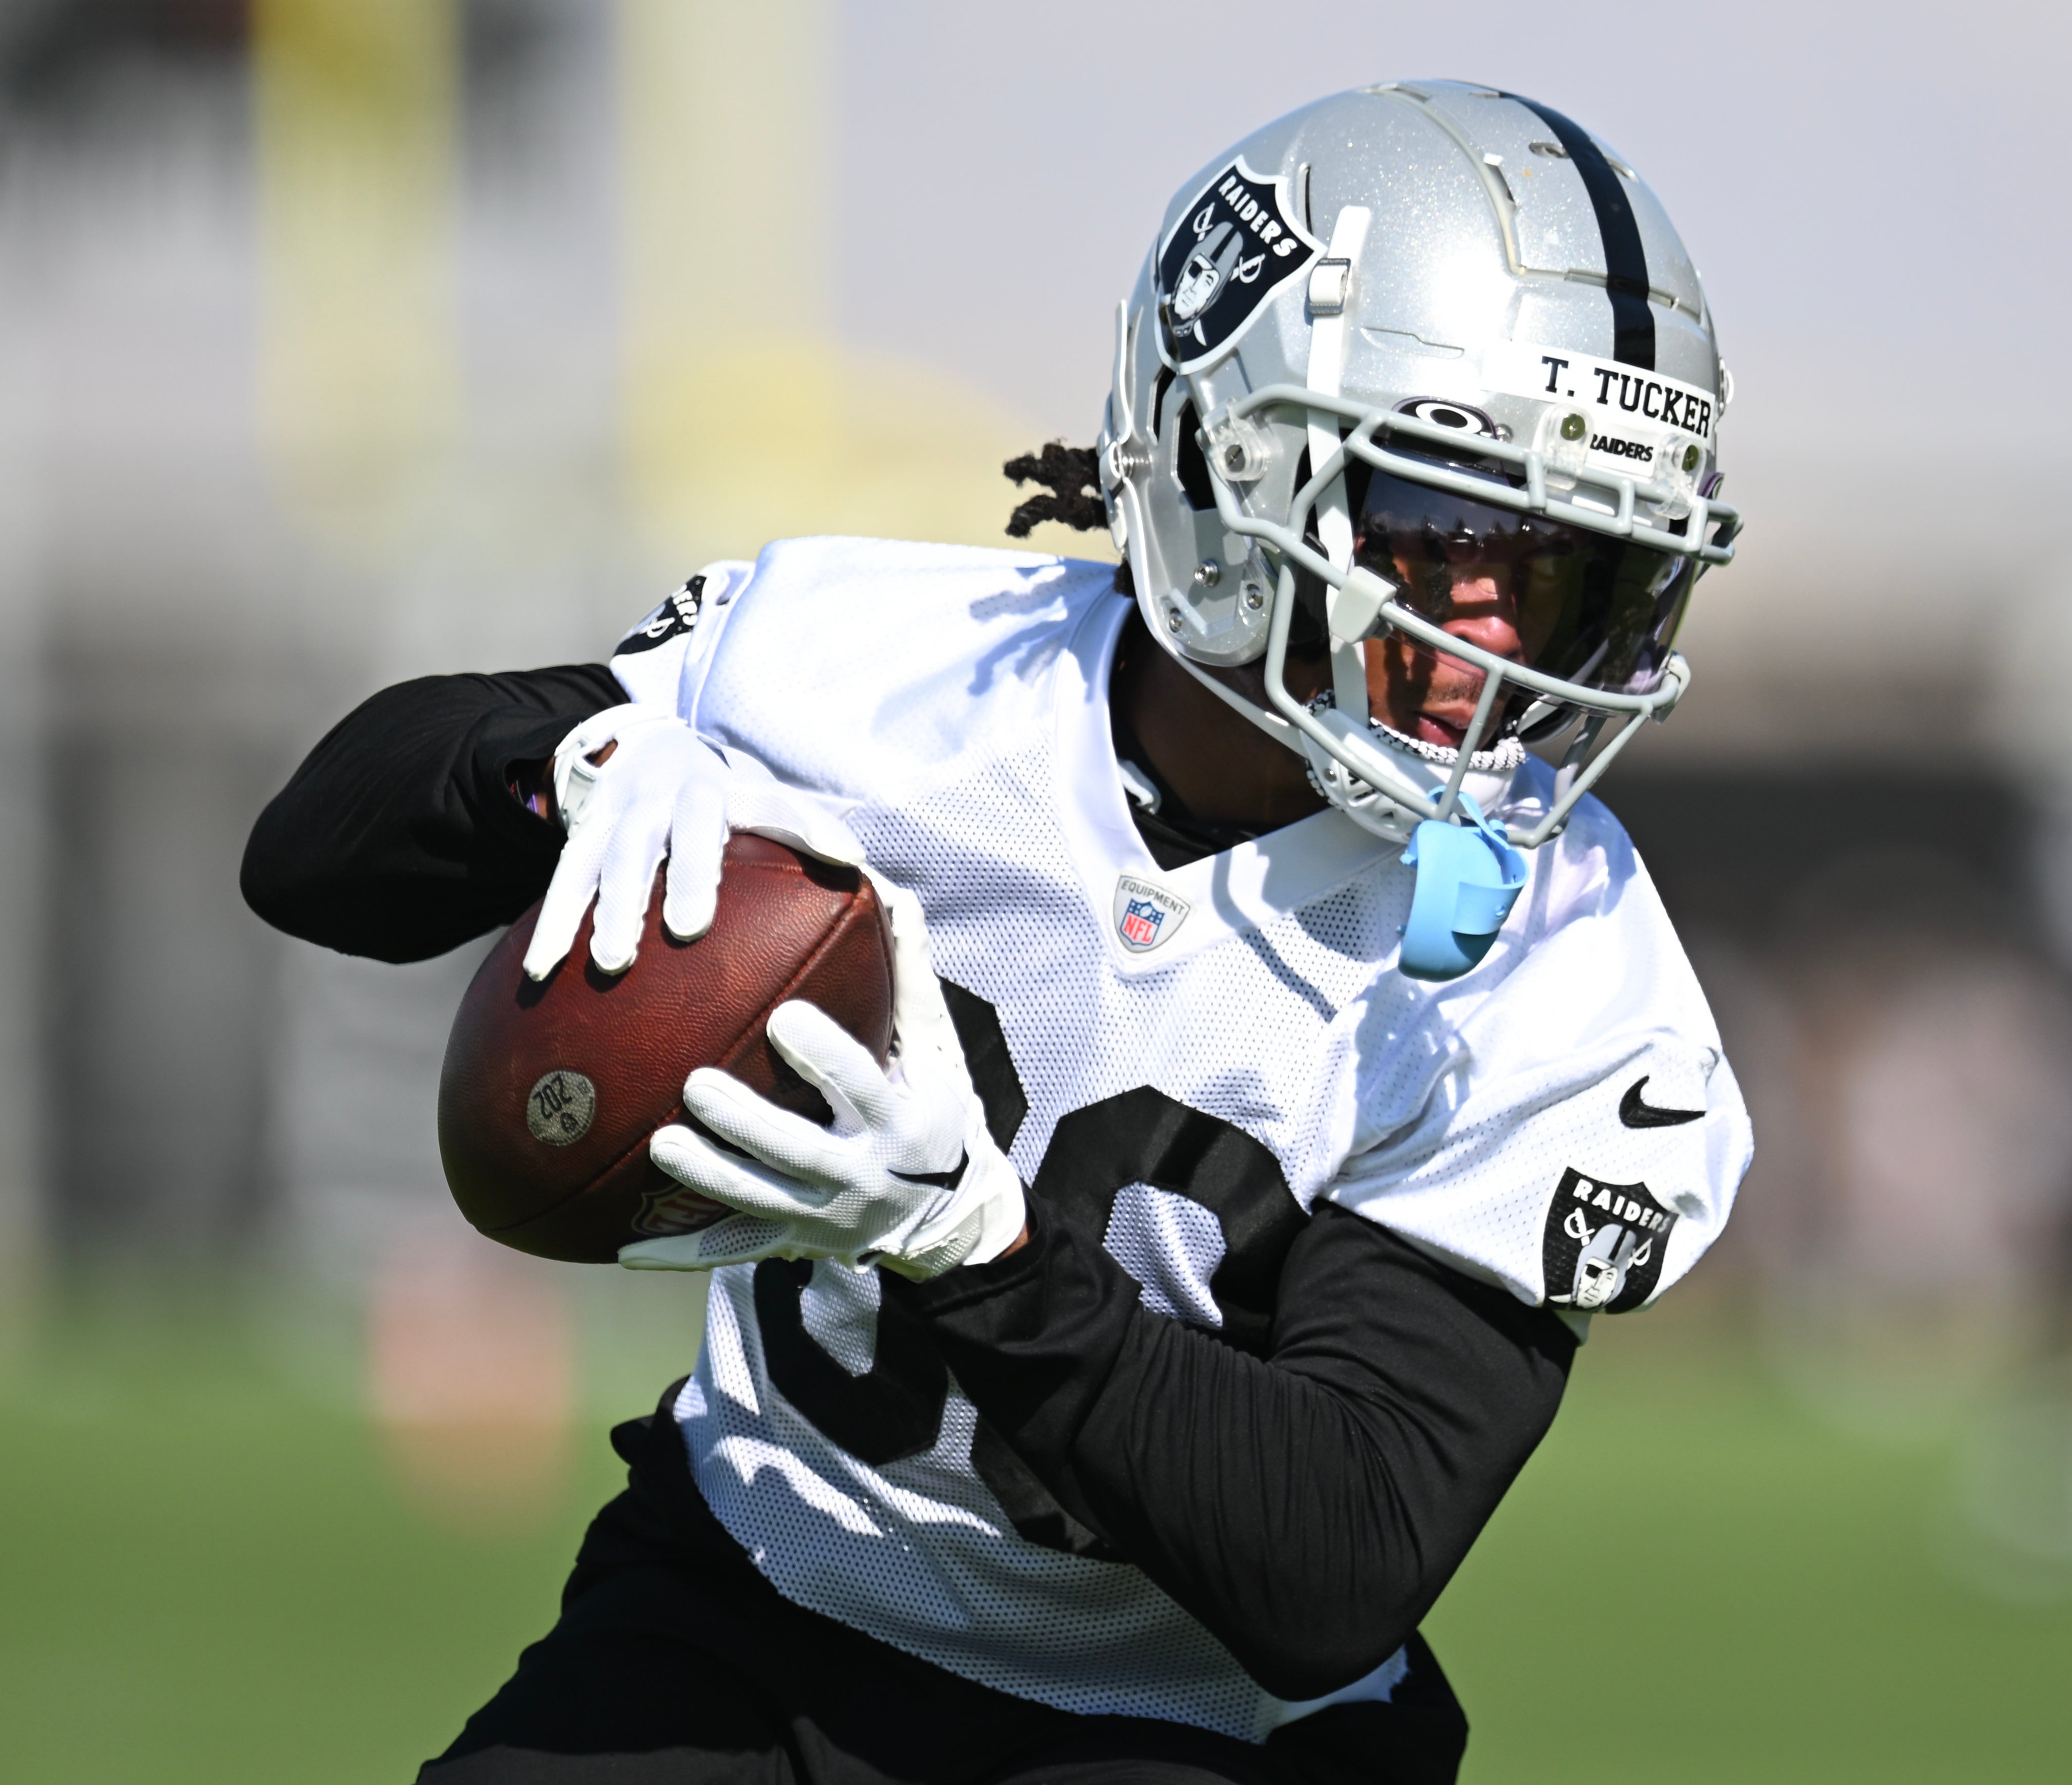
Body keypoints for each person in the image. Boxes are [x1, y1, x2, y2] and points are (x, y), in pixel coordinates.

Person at [243, 81, 1751, 1785]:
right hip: (758, 1589)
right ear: (1221, 456)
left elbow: (1336, 1561)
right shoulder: (891, 673)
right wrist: (566, 763)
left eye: (1571, 565)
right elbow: (312, 859)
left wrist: (981, 1252)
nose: (1501, 629)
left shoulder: (1565, 963)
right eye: (1451, 530)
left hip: (1191, 1736)